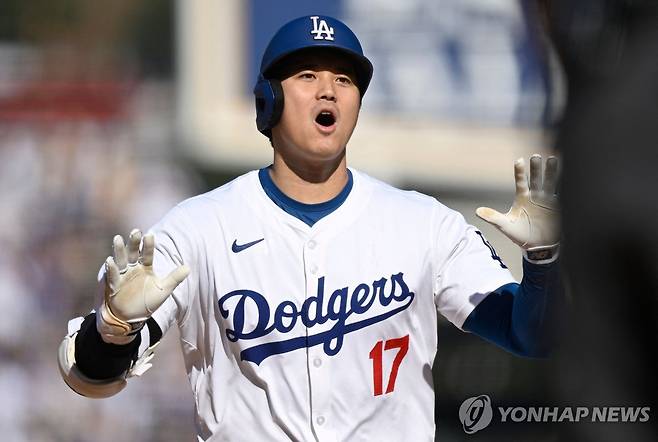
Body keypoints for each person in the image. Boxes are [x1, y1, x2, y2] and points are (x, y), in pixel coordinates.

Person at [58, 15, 561, 441]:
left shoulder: (423, 224)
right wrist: (115, 327)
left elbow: (533, 336)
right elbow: (89, 375)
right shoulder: (199, 228)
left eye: (344, 80)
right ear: (268, 102)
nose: (328, 89)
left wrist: (544, 264)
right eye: (306, 75)